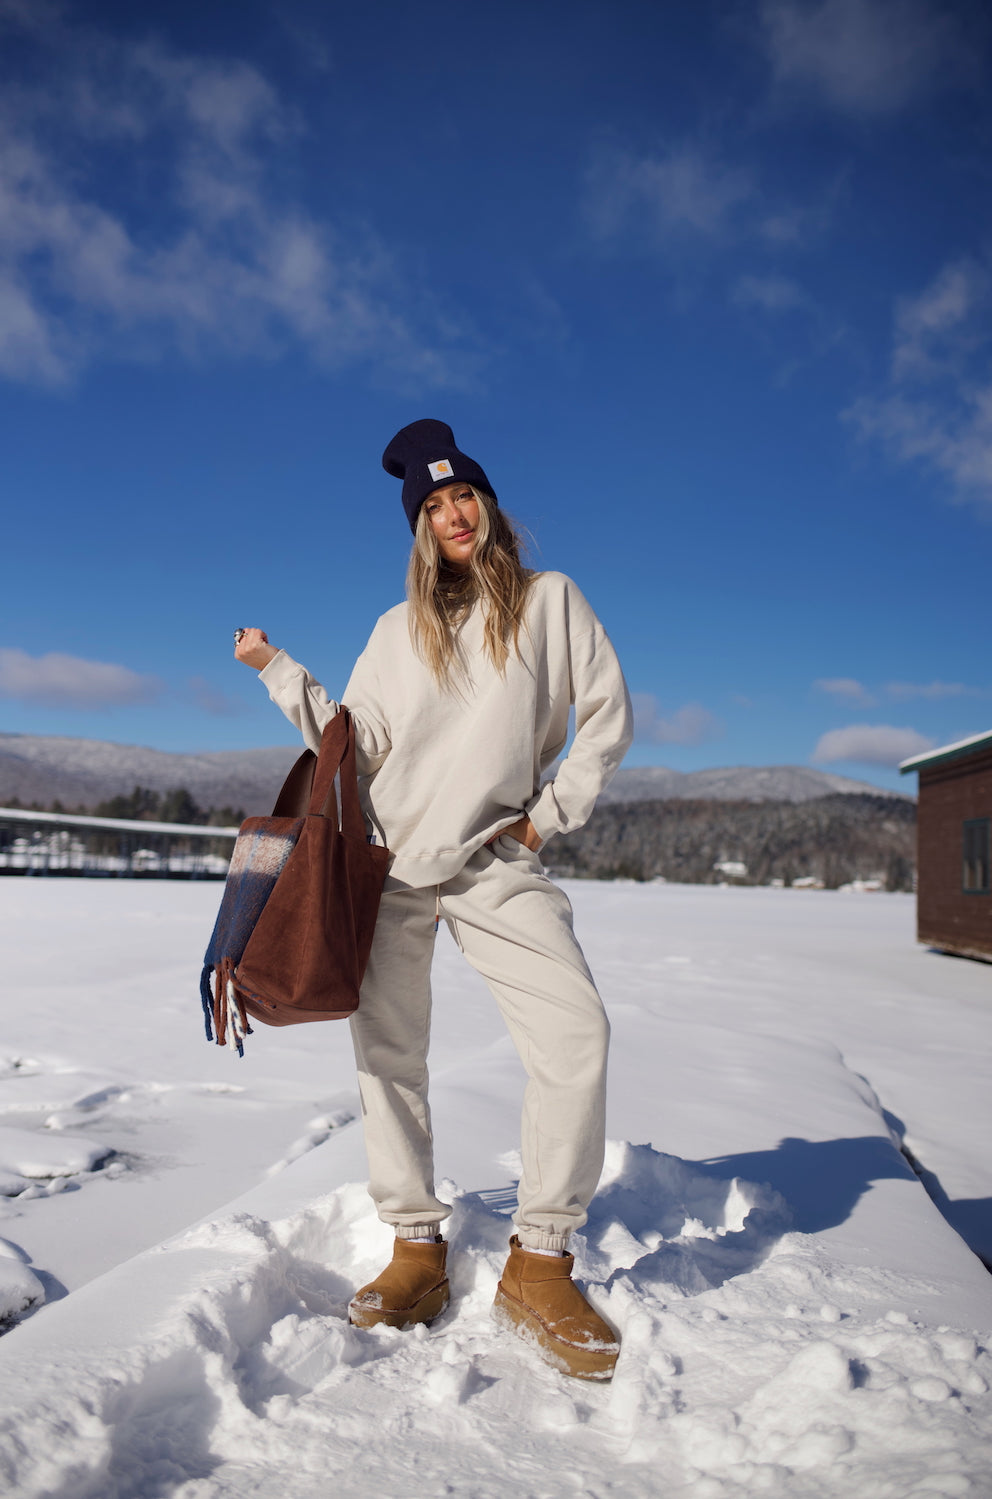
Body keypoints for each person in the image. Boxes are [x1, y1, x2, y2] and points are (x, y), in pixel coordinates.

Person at [235, 419, 633, 1381]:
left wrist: (544, 818)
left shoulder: (549, 602)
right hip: (393, 864)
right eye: (436, 504)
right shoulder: (394, 631)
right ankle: (416, 1246)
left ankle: (540, 1262)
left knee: (576, 1032)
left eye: (466, 496)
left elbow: (607, 715)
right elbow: (349, 737)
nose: (455, 513)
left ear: (489, 505)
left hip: (496, 858)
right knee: (388, 1054)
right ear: (419, 526)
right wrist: (276, 668)